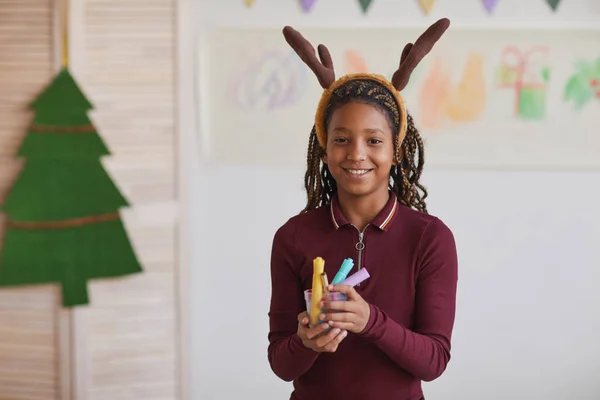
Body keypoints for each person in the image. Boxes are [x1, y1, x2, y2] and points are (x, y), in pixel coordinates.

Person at [267, 18, 458, 400]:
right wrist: (306, 342)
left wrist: (371, 322)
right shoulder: (293, 236)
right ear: (324, 147)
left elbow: (434, 361)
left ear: (396, 151)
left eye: (373, 140)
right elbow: (280, 362)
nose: (356, 154)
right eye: (341, 139)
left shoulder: (430, 238)